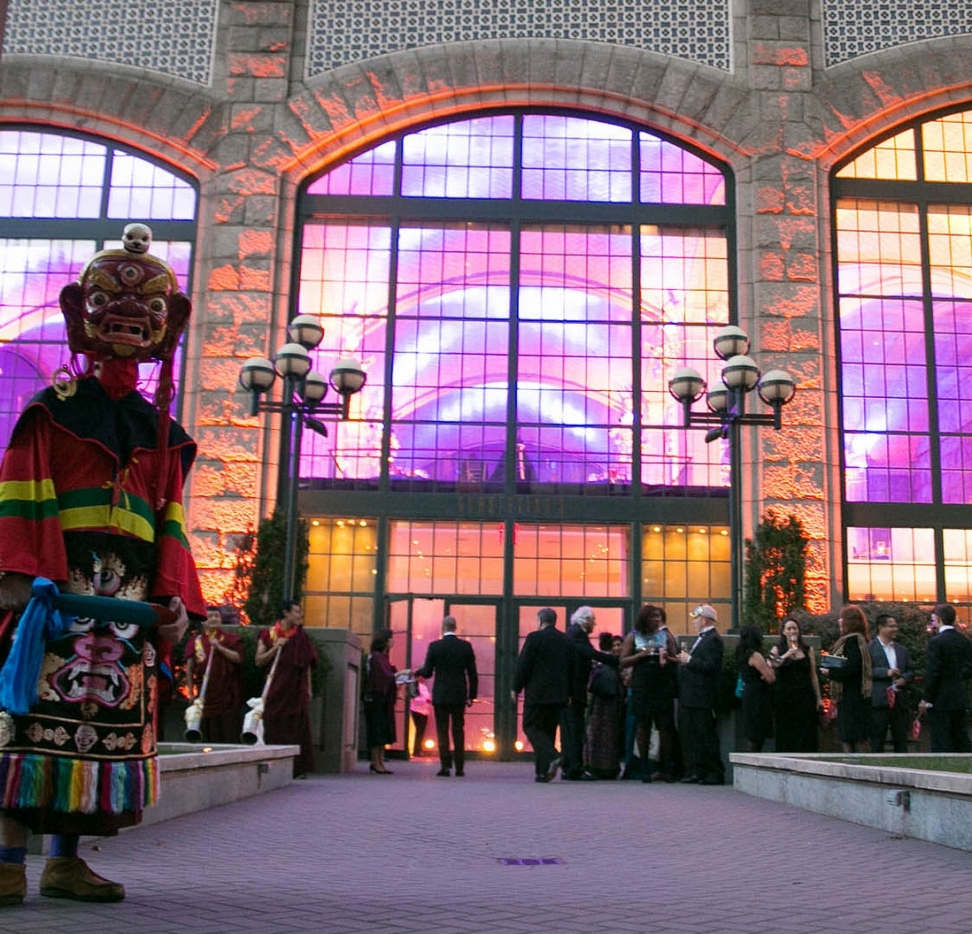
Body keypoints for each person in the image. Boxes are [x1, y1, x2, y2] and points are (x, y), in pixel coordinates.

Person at [0, 225, 205, 904]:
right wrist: (28, 579)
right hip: (54, 596)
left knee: (96, 739)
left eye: (145, 314)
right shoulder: (51, 413)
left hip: (127, 610)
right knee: (28, 725)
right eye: (112, 312)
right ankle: (5, 859)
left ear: (164, 330)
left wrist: (174, 598)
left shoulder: (163, 435)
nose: (128, 327)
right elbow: (26, 495)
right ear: (82, 319)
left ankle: (63, 861)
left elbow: (171, 518)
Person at [255, 600, 318, 777]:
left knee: (298, 729)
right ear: (285, 613)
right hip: (275, 689)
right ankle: (273, 766)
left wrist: (309, 689)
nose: (300, 615)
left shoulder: (301, 636)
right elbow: (259, 661)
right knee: (274, 726)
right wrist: (276, 647)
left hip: (296, 690)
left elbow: (306, 665)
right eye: (296, 612)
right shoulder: (268, 634)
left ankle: (298, 769)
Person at [512, 608, 574, 783]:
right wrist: (569, 692)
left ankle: (553, 757)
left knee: (530, 726)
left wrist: (515, 688)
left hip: (537, 693)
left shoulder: (534, 638)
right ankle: (542, 772)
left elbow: (524, 664)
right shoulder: (565, 640)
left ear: (540, 621)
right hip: (559, 694)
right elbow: (571, 668)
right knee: (548, 731)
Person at [620, 604, 679, 782]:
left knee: (665, 727)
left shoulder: (666, 636)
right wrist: (642, 655)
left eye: (658, 617)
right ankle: (644, 767)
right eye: (652, 617)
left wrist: (667, 657)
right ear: (644, 619)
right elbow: (623, 660)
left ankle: (666, 767)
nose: (656, 620)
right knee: (643, 726)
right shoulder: (633, 636)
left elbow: (676, 658)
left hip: (661, 685)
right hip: (642, 685)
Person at [415, 615, 478, 777]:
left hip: (441, 694)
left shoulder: (435, 647)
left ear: (443, 628)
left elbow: (427, 672)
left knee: (442, 730)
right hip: (458, 694)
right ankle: (460, 767)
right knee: (458, 729)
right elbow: (472, 674)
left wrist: (417, 672)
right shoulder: (465, 647)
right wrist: (472, 695)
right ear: (455, 627)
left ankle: (445, 766)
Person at [562, 606, 618, 781]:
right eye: (593, 620)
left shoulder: (574, 633)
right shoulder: (578, 635)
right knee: (575, 729)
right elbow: (589, 653)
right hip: (574, 690)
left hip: (571, 690)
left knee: (571, 730)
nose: (595, 623)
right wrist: (615, 659)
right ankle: (574, 768)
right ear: (585, 620)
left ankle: (569, 766)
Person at [676, 604, 724, 785]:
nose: (694, 622)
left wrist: (689, 660)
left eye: (696, 619)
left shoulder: (713, 640)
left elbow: (710, 666)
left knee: (705, 736)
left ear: (704, 620)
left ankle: (714, 772)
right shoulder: (703, 639)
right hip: (693, 696)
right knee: (693, 736)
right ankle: (698, 770)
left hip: (702, 697)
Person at [186, 605, 243, 743]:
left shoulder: (230, 639)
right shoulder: (196, 642)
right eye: (210, 617)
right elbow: (189, 668)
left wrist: (219, 647)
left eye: (216, 616)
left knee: (227, 733)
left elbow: (238, 658)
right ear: (203, 621)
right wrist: (191, 694)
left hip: (226, 695)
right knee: (207, 733)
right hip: (205, 695)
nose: (214, 619)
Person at [919, 604, 972, 752]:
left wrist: (926, 698)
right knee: (960, 736)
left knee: (941, 738)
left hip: (940, 699)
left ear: (939, 619)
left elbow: (933, 672)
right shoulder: (964, 641)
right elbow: (969, 668)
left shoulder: (936, 642)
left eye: (933, 619)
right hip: (959, 696)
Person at [768, 616, 822, 752]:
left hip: (805, 695)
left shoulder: (807, 650)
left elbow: (813, 674)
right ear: (784, 632)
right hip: (785, 696)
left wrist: (819, 698)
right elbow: (771, 664)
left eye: (795, 628)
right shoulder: (777, 649)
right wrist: (786, 655)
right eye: (789, 628)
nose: (792, 631)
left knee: (806, 731)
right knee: (786, 731)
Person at [826, 605, 872, 752]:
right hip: (849, 696)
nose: (839, 621)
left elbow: (850, 667)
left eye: (842, 618)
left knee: (852, 735)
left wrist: (830, 671)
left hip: (852, 696)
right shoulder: (850, 641)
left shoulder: (854, 642)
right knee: (849, 735)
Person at [869, 613, 914, 753]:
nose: (895, 629)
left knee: (901, 739)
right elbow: (864, 671)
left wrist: (905, 679)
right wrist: (885, 672)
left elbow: (911, 670)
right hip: (879, 701)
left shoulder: (901, 650)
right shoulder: (870, 648)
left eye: (896, 626)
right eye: (891, 626)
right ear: (881, 628)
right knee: (877, 738)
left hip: (899, 701)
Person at [584, 632, 625, 779]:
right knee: (610, 734)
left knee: (596, 732)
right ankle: (609, 767)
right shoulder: (614, 663)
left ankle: (594, 766)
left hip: (599, 703)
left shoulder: (598, 665)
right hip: (613, 703)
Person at [362, 628, 400, 774]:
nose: (392, 641)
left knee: (382, 730)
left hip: (383, 700)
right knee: (376, 730)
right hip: (375, 700)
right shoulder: (376, 657)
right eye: (390, 638)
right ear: (384, 641)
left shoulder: (383, 657)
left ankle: (380, 761)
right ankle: (375, 761)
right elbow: (383, 677)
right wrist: (399, 675)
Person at [736, 625, 776, 752]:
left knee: (752, 733)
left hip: (748, 693)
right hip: (758, 696)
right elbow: (770, 678)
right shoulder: (755, 655)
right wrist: (770, 667)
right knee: (757, 733)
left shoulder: (742, 654)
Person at [409, 678, 432, 756]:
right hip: (417, 710)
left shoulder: (424, 686)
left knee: (421, 731)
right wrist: (425, 700)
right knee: (419, 730)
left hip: (424, 711)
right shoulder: (414, 685)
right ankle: (417, 749)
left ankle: (418, 749)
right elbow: (413, 698)